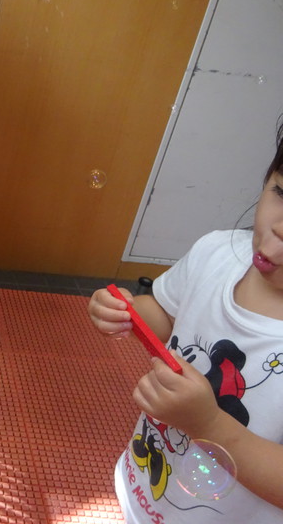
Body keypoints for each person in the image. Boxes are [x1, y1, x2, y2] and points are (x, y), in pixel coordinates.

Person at [87, 125, 283, 523]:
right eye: (281, 192)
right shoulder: (216, 253)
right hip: (142, 489)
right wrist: (126, 312)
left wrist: (209, 424)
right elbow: (165, 314)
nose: (279, 230)